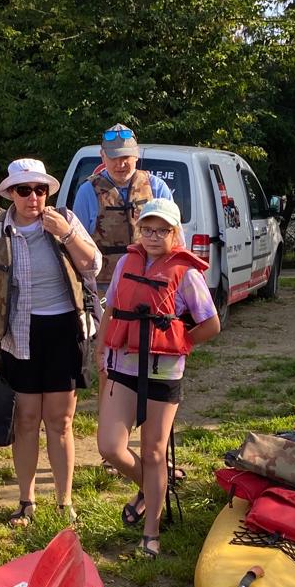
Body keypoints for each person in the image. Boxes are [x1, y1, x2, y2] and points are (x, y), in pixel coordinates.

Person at [0, 159, 101, 526]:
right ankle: (26, 501)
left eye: (40, 190)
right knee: (26, 421)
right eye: (25, 190)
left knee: (60, 422)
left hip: (64, 332)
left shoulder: (64, 220)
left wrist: (66, 233)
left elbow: (93, 265)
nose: (34, 197)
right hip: (19, 336)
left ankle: (64, 502)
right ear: (11, 193)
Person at [95, 200, 220, 557]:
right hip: (123, 365)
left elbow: (211, 324)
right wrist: (100, 350)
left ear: (174, 233)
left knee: (153, 452)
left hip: (163, 372)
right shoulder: (126, 263)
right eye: (147, 229)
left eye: (162, 230)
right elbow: (111, 308)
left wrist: (181, 342)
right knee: (110, 447)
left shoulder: (187, 273)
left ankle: (151, 532)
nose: (153, 236)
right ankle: (153, 489)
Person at [71, 124, 174, 289]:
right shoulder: (87, 191)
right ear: (102, 156)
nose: (121, 164)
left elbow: (176, 238)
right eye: (114, 157)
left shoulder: (157, 188)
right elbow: (76, 244)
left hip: (150, 282)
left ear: (136, 155)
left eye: (126, 156)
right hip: (104, 285)